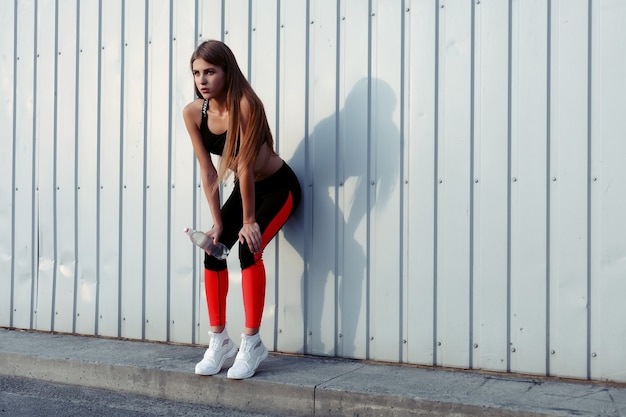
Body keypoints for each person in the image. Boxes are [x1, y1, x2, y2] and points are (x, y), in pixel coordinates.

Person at [183, 40, 301, 379]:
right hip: (244, 187)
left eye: (210, 72)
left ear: (227, 71)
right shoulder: (194, 113)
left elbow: (246, 165)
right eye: (196, 73)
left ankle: (252, 343)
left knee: (250, 249)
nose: (202, 80)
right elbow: (208, 171)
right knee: (214, 251)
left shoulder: (246, 105)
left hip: (278, 187)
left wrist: (249, 222)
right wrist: (218, 224)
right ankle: (220, 341)